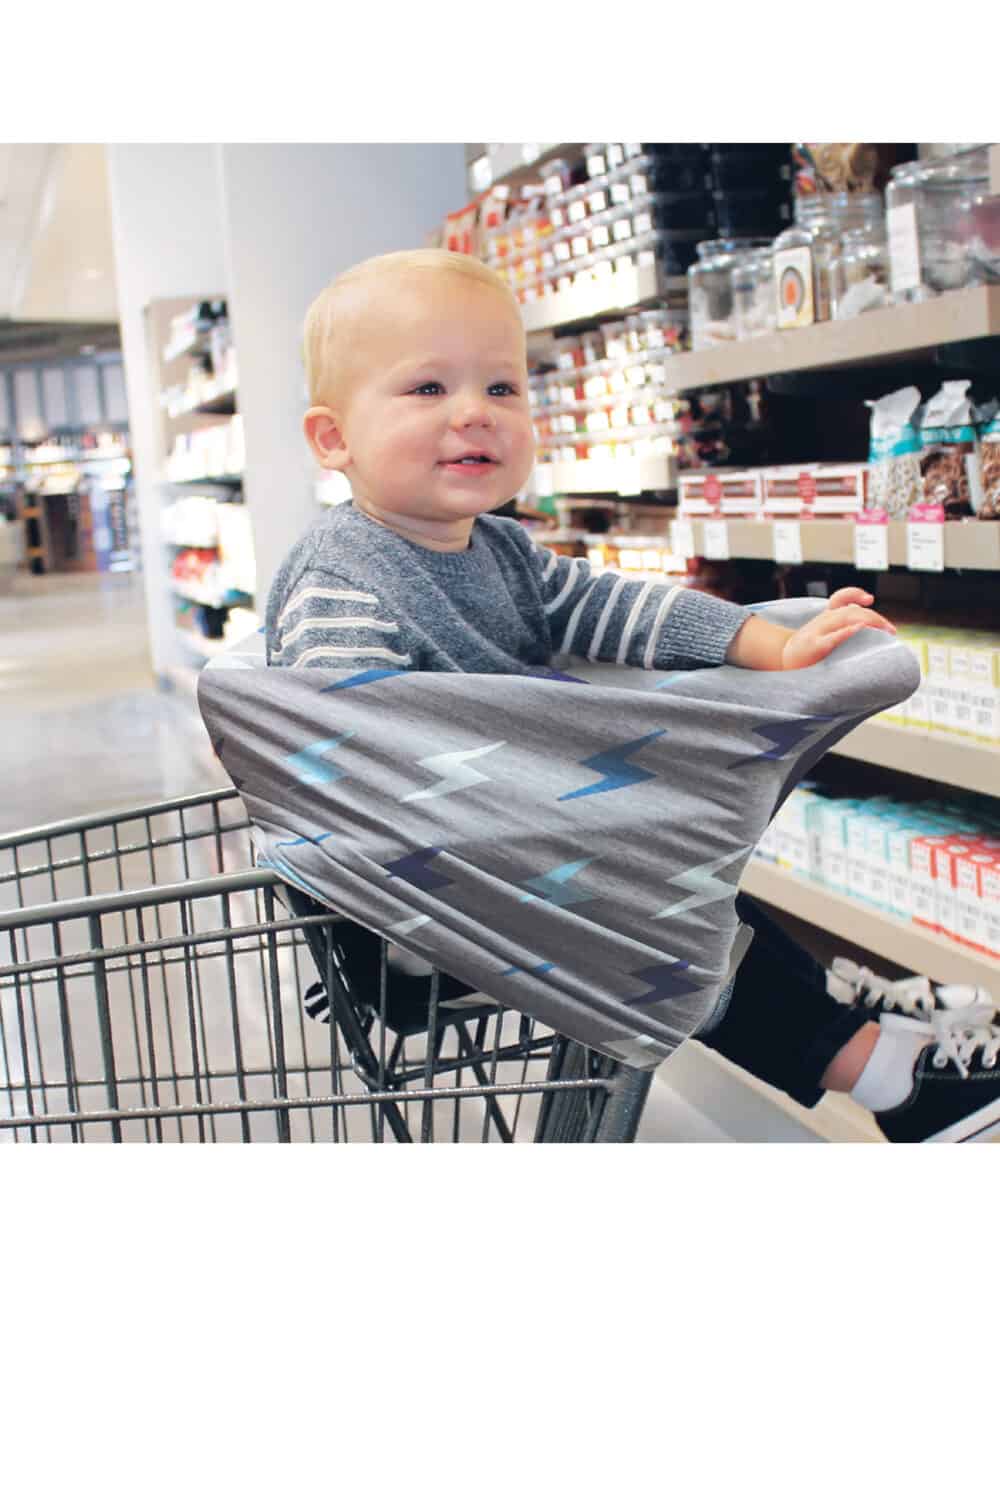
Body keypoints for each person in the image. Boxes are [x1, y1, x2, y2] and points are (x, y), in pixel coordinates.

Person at [265, 247, 1000, 1143]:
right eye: (427, 390)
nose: (474, 414)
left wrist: (766, 641)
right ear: (333, 439)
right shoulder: (344, 580)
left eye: (502, 388)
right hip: (415, 910)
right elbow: (340, 753)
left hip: (497, 866)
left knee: (684, 881)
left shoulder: (497, 550)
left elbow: (606, 605)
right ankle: (886, 1075)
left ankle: (865, 1026)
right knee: (659, 924)